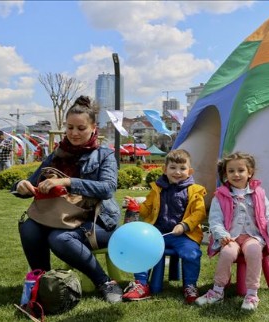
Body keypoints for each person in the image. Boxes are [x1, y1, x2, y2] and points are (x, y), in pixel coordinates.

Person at [11, 96, 123, 303]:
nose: (74, 133)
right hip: (60, 217)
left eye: (81, 128)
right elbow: (31, 183)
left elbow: (107, 189)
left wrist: (67, 182)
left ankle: (105, 282)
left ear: (93, 127)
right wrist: (21, 186)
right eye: (70, 127)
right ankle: (42, 282)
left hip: (98, 221)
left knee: (59, 238)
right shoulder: (57, 154)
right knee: (29, 228)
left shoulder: (104, 155)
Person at [195, 152, 269, 311]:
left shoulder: (259, 194)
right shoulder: (220, 196)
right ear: (225, 174)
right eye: (231, 171)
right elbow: (215, 220)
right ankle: (217, 292)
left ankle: (251, 293)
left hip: (253, 236)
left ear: (250, 172)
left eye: (241, 170)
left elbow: (268, 218)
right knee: (228, 253)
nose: (236, 174)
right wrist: (222, 235)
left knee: (254, 249)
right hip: (231, 237)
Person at [122, 149, 207, 304]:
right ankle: (141, 284)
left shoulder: (195, 191)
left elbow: (199, 213)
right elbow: (147, 209)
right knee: (142, 248)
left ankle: (190, 285)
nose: (177, 172)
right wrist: (136, 206)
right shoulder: (157, 189)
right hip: (157, 233)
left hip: (183, 235)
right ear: (165, 170)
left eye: (182, 168)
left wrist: (185, 225)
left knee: (191, 253)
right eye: (173, 168)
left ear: (190, 171)